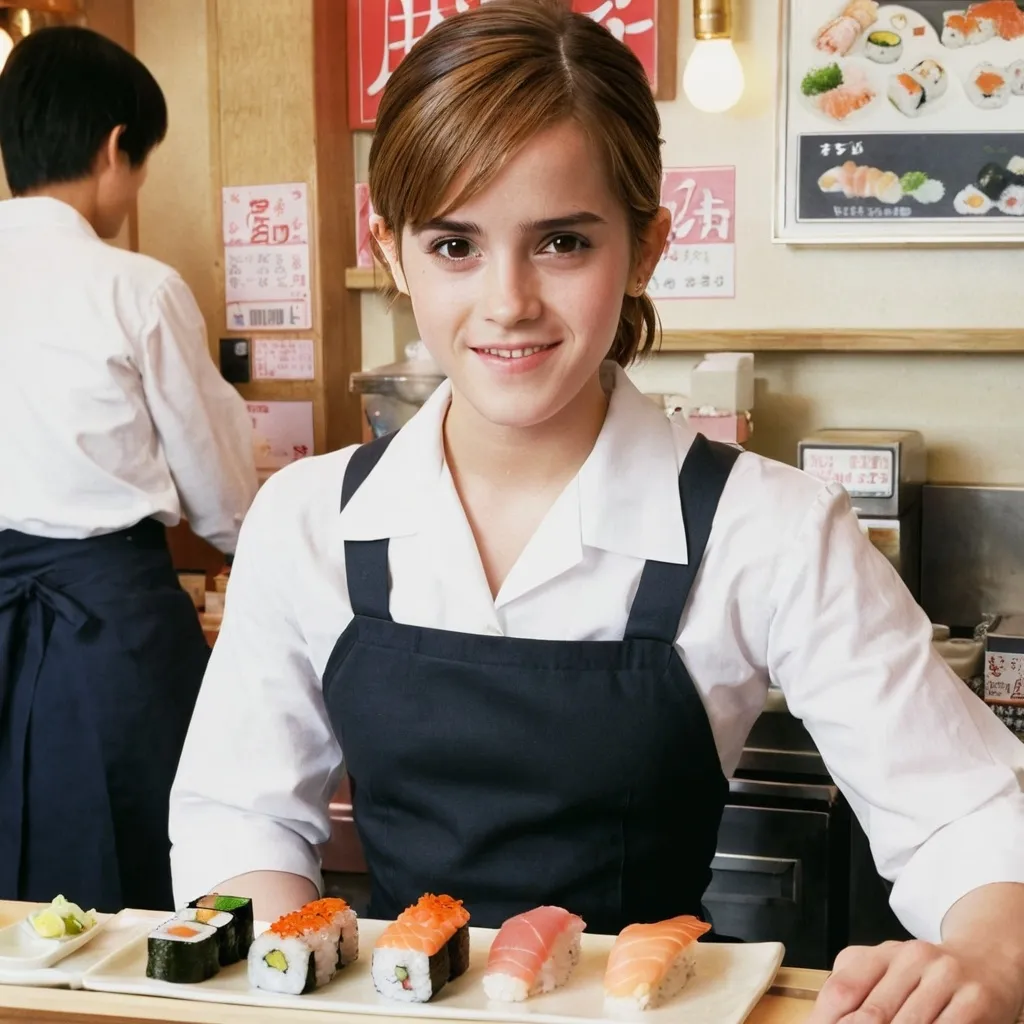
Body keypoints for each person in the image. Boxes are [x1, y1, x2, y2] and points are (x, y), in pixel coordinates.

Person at [169, 2, 1024, 1020]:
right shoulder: (306, 518)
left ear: (646, 247)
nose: (508, 300)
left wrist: (995, 955)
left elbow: (962, 811)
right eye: (453, 244)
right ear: (387, 245)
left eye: (562, 241)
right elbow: (242, 819)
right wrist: (284, 968)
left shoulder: (772, 527)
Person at [0, 26, 257, 913]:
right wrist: (258, 555)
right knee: (133, 891)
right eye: (141, 163)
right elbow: (223, 497)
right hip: (108, 635)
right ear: (116, 147)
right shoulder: (134, 287)